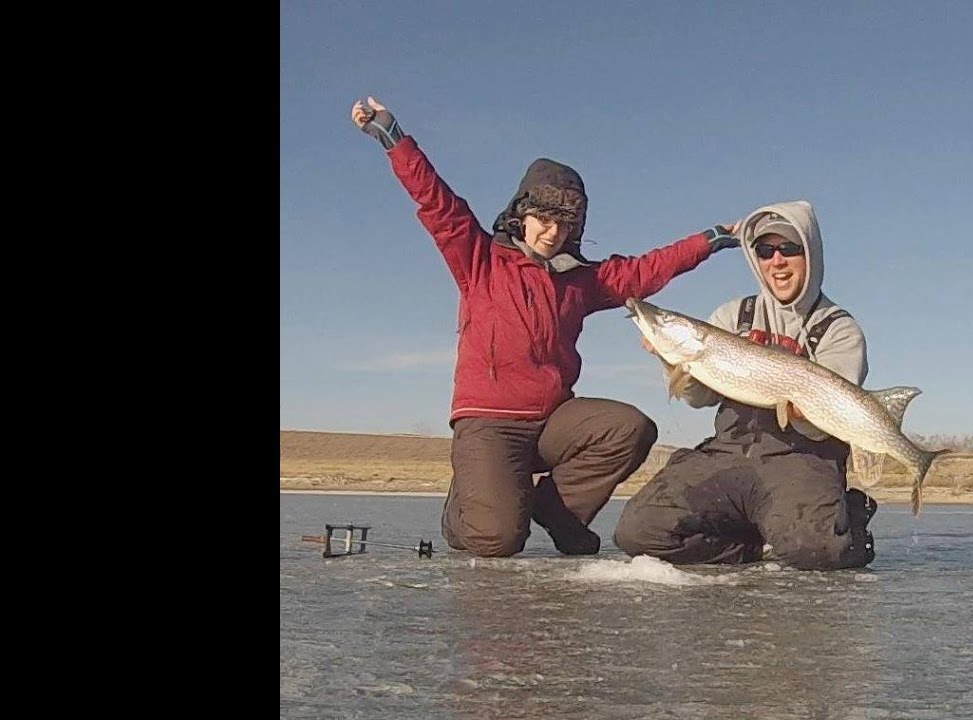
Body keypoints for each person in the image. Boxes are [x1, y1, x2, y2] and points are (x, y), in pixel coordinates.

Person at [350, 96, 741, 558]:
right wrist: (391, 134)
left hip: (553, 420)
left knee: (629, 428)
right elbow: (436, 202)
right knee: (496, 539)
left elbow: (644, 270)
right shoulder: (479, 260)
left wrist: (712, 239)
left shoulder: (580, 281)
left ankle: (558, 511)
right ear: (522, 214)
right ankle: (468, 504)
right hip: (489, 425)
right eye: (544, 218)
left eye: (565, 223)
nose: (553, 232)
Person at [613, 201, 878, 570]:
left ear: (811, 254)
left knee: (818, 552)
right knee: (638, 532)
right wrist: (670, 358)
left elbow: (828, 421)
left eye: (789, 248)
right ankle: (752, 544)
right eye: (765, 251)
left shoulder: (839, 329)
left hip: (801, 459)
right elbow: (697, 398)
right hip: (730, 454)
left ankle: (842, 517)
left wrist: (803, 408)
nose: (777, 261)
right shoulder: (732, 316)